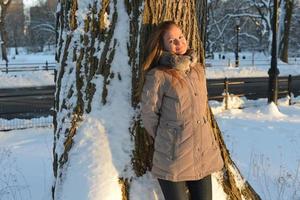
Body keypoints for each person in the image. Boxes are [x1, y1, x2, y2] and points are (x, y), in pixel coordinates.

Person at [140, 21, 224, 200]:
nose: (179, 43)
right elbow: (148, 115)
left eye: (180, 37)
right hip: (173, 157)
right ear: (162, 46)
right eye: (171, 41)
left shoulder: (198, 70)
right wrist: (169, 137)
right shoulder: (158, 75)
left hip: (203, 154)